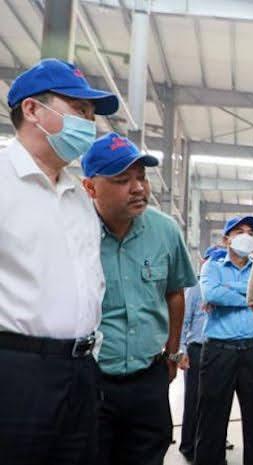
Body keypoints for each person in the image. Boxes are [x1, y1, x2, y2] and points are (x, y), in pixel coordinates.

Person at [0, 58, 118, 465]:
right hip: (17, 373)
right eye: (79, 110)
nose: (89, 123)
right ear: (33, 110)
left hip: (81, 371)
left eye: (90, 114)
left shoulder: (78, 197)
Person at [81, 132, 197, 465]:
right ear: (90, 187)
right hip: (92, 380)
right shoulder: (75, 231)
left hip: (148, 379)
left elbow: (175, 292)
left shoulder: (165, 231)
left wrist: (173, 352)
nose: (138, 188)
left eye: (141, 178)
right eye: (122, 180)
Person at [195, 215, 253, 465]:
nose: (245, 236)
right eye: (239, 231)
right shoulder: (212, 265)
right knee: (211, 420)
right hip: (219, 352)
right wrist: (249, 295)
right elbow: (211, 292)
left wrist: (229, 292)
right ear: (226, 239)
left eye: (250, 232)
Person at [178, 247, 220, 462]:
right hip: (195, 349)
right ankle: (188, 445)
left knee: (213, 401)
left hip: (217, 348)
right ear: (204, 262)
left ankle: (209, 443)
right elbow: (182, 321)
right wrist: (180, 352)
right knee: (193, 399)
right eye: (211, 260)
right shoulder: (195, 288)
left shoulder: (221, 286)